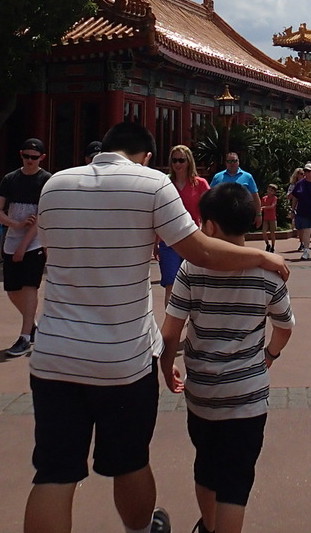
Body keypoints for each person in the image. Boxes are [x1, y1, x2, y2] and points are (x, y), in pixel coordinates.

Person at [24, 122, 289, 533]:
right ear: (147, 156)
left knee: (54, 472)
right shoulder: (151, 184)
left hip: (55, 351)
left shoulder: (55, 184)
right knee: (129, 461)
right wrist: (260, 257)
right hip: (123, 357)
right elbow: (199, 250)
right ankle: (141, 530)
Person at [160, 182, 295, 533]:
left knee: (206, 468)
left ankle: (208, 526)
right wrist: (270, 354)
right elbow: (284, 327)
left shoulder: (191, 269)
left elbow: (171, 333)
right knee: (235, 485)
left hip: (202, 393)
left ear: (209, 226)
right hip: (247, 397)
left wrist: (166, 366)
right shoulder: (269, 273)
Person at [0, 138, 52, 357]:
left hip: (35, 239)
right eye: (26, 156)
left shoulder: (46, 180)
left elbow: (42, 215)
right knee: (12, 289)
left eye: (34, 157)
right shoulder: (10, 179)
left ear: (41, 158)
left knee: (29, 286)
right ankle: (32, 325)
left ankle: (24, 336)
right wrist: (15, 224)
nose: (29, 161)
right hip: (13, 236)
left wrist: (24, 245)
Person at [158, 145, 209, 305]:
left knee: (193, 285)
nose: (178, 164)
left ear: (189, 161)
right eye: (174, 160)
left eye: (181, 160)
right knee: (171, 285)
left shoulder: (200, 184)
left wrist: (207, 238)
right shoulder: (165, 183)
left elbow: (209, 211)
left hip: (192, 240)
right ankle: (170, 320)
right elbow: (157, 213)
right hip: (168, 242)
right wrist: (154, 242)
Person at [210, 152, 261, 227]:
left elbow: (255, 197)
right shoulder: (217, 177)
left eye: (234, 161)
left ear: (238, 161)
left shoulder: (248, 177)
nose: (232, 163)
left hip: (242, 214)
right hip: (222, 215)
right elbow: (210, 196)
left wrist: (259, 214)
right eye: (229, 161)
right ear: (226, 163)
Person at [288, 163, 311, 260]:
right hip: (303, 211)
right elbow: (295, 197)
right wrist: (293, 209)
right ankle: (306, 250)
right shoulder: (300, 184)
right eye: (305, 171)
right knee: (306, 230)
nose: (307, 173)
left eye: (309, 171)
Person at [259, 185, 279, 251]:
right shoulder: (264, 198)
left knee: (272, 233)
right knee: (264, 232)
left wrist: (264, 207)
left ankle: (273, 246)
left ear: (274, 192)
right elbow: (261, 206)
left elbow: (272, 206)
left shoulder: (274, 198)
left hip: (272, 218)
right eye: (268, 190)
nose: (269, 191)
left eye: (271, 190)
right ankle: (267, 244)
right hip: (265, 218)